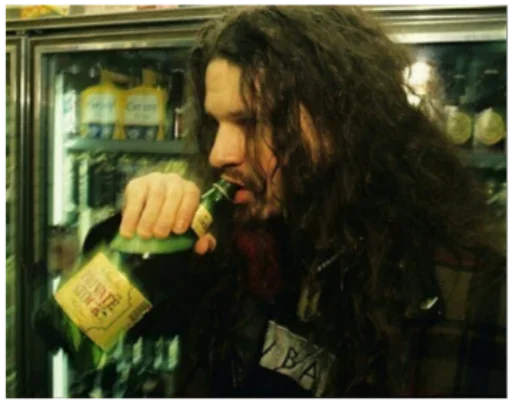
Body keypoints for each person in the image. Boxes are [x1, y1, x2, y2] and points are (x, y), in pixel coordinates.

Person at [35, 5, 506, 398]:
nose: (219, 153)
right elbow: (76, 327)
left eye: (253, 122)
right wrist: (134, 234)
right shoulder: (226, 246)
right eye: (216, 124)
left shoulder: (464, 288)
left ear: (343, 124)